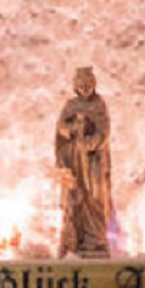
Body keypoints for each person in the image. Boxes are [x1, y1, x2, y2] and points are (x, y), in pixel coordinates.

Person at [55, 67, 112, 258]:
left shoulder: (99, 105)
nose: (85, 88)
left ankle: (95, 239)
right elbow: (61, 128)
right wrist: (73, 128)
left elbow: (104, 131)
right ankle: (75, 238)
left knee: (94, 196)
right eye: (81, 84)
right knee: (75, 196)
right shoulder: (70, 105)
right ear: (76, 86)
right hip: (74, 160)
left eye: (88, 84)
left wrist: (90, 142)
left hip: (93, 161)